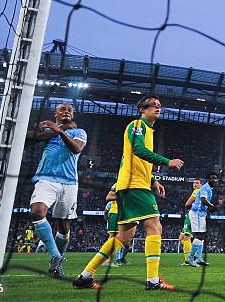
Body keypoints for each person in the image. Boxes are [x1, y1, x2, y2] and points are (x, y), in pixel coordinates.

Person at [73, 94, 184, 291]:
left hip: (131, 185)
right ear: (143, 109)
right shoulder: (137, 126)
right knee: (155, 227)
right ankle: (152, 280)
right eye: (153, 105)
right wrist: (167, 161)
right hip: (135, 186)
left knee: (123, 238)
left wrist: (153, 180)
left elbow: (132, 159)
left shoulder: (148, 130)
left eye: (159, 105)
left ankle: (85, 276)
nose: (158, 108)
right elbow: (139, 150)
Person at [27, 102, 87, 279]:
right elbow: (30, 138)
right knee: (37, 212)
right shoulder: (48, 134)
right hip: (46, 178)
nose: (66, 111)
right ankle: (55, 256)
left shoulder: (79, 132)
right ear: (56, 113)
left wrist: (60, 131)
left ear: (73, 115)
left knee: (64, 225)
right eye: (62, 109)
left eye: (69, 110)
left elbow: (76, 148)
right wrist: (38, 127)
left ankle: (56, 266)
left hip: (69, 182)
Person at [186, 172, 219, 268]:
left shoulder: (209, 189)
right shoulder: (205, 187)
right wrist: (212, 206)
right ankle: (190, 258)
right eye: (213, 178)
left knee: (202, 236)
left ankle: (199, 258)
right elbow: (203, 199)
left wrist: (210, 208)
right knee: (199, 236)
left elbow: (205, 202)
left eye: (216, 178)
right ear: (208, 179)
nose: (215, 180)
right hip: (197, 213)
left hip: (201, 214)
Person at [179, 178, 201, 265]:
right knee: (181, 238)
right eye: (194, 183)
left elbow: (187, 203)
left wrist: (186, 208)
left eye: (197, 183)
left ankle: (188, 260)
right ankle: (193, 254)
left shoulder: (197, 191)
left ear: (200, 185)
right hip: (192, 215)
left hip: (192, 215)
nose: (195, 184)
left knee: (186, 237)